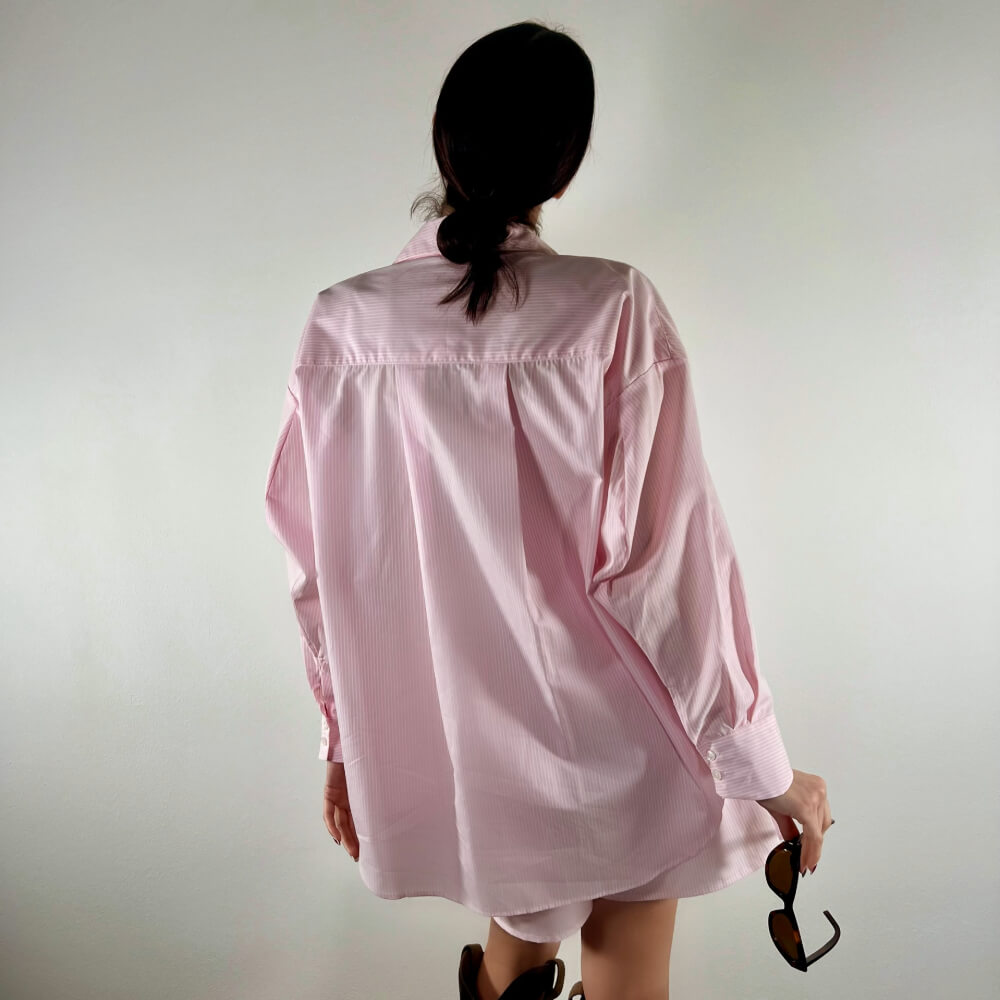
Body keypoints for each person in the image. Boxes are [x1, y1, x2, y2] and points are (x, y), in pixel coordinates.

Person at [264, 19, 833, 1000]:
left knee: (514, 955)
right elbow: (666, 570)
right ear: (563, 169)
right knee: (627, 976)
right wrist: (765, 766)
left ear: (447, 147)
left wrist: (345, 737)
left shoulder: (342, 326)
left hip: (473, 753)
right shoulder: (611, 310)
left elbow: (320, 572)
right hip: (623, 740)